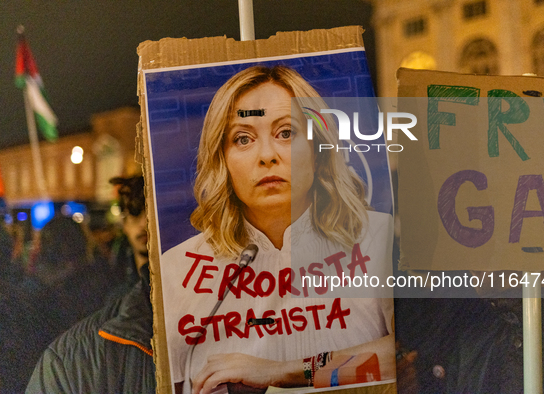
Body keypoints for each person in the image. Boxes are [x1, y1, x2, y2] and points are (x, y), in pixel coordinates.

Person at [158, 65, 395, 394]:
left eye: (286, 133)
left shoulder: (380, 240)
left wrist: (285, 372)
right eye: (243, 139)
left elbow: (411, 352)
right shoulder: (175, 270)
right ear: (222, 158)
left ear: (317, 147)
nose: (267, 156)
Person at [26, 175, 156, 393]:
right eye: (134, 213)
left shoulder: (105, 281)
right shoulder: (109, 288)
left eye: (150, 212)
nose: (144, 222)